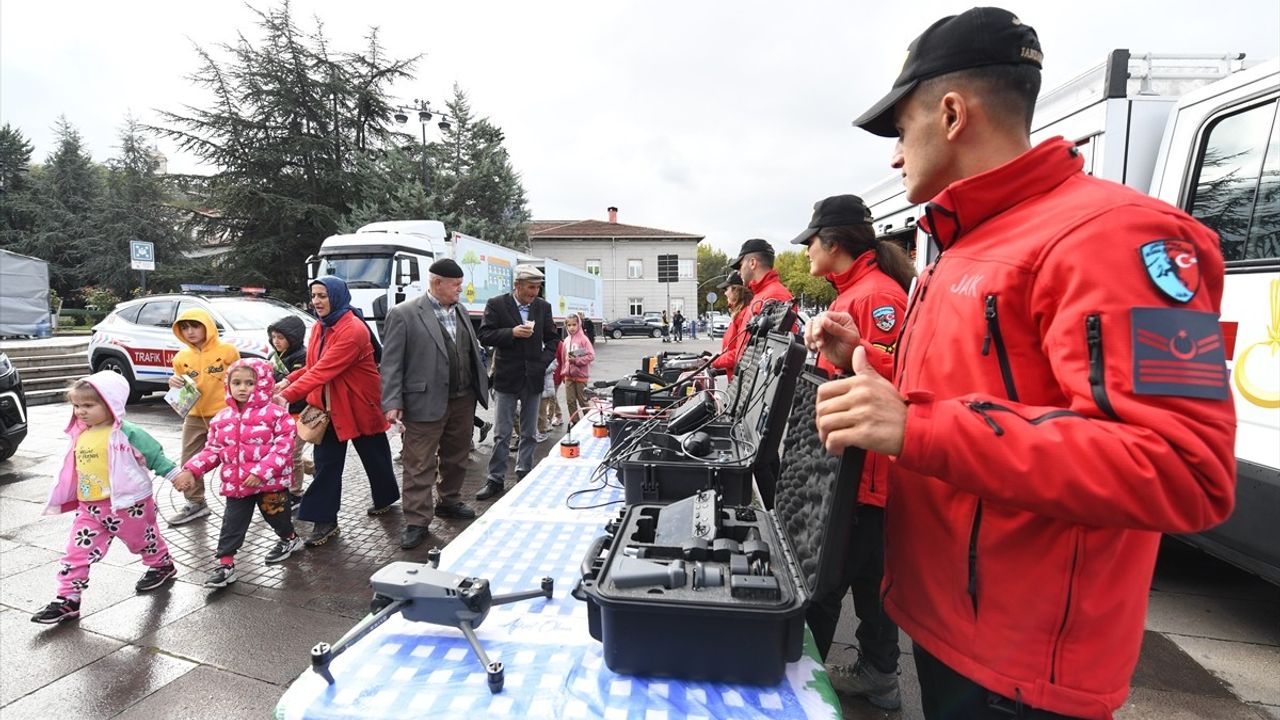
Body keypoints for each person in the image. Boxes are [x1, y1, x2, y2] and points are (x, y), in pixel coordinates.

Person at [811, 8, 1236, 718]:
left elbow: (1181, 467)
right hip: (949, 624)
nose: (893, 155)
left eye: (899, 129)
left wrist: (918, 429)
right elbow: (967, 390)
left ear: (951, 113)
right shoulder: (963, 246)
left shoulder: (1117, 236)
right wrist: (864, 358)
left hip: (1022, 667)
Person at [792, 194, 915, 710]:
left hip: (866, 474)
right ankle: (874, 675)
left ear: (834, 242)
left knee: (830, 585)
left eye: (810, 244)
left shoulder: (876, 296)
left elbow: (899, 378)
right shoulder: (853, 292)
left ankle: (803, 687)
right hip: (851, 466)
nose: (805, 255)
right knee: (865, 581)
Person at [31, 372, 179, 624]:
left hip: (128, 504)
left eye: (88, 405)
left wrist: (176, 475)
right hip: (90, 508)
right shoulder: (82, 433)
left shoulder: (126, 433)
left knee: (143, 541)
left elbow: (154, 455)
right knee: (75, 552)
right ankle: (68, 599)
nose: (80, 411)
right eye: (76, 405)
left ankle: (161, 565)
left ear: (111, 403)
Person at [276, 276, 400, 547]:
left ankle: (386, 497)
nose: (317, 301)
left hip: (359, 405)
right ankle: (325, 521)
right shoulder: (321, 327)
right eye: (314, 295)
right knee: (326, 465)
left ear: (337, 296)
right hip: (328, 410)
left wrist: (287, 395)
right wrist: (289, 380)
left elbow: (325, 369)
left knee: (375, 457)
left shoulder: (353, 329)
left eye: (323, 295)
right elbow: (314, 365)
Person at [380, 259, 489, 550]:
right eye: (456, 284)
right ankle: (417, 521)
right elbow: (390, 363)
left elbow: (468, 351)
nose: (460, 289)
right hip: (423, 401)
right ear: (437, 283)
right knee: (419, 463)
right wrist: (392, 402)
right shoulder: (404, 314)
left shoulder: (461, 311)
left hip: (463, 399)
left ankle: (449, 501)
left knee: (456, 456)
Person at [174, 359, 302, 588]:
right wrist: (192, 470)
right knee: (232, 524)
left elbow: (283, 449)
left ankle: (290, 538)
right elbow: (212, 450)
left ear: (262, 384)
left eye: (250, 382)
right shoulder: (222, 419)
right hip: (238, 485)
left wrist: (261, 472)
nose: (243, 388)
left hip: (269, 485)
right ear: (228, 385)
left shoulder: (277, 415)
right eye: (237, 382)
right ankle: (225, 564)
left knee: (278, 518)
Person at [476, 264, 559, 501]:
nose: (535, 293)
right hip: (506, 377)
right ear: (517, 285)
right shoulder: (497, 304)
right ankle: (495, 479)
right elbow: (484, 335)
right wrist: (511, 333)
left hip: (532, 376)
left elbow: (553, 339)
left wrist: (542, 362)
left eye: (538, 288)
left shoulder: (542, 307)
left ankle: (524, 472)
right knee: (502, 433)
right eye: (531, 287)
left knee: (529, 432)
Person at [166, 308, 241, 525]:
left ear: (206, 326)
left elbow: (241, 379)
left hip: (225, 414)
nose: (190, 332)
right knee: (189, 460)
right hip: (194, 416)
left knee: (240, 455)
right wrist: (173, 382)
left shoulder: (228, 351)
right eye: (185, 328)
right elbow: (179, 385)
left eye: (195, 326)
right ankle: (196, 503)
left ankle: (244, 498)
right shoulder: (181, 358)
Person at [268, 315, 310, 507]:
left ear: (293, 338)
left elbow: (302, 382)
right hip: (280, 412)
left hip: (299, 411)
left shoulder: (302, 355)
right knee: (288, 451)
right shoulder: (273, 356)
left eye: (281, 337)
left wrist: (282, 380)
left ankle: (295, 492)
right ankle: (314, 468)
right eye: (274, 337)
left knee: (292, 453)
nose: (276, 341)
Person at [710, 271, 753, 381]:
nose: (725, 293)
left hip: (740, 382)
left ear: (736, 291)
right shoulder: (739, 315)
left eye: (726, 289)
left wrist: (714, 361)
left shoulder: (744, 315)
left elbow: (739, 353)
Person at [557, 312, 596, 425]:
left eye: (574, 325)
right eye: (569, 325)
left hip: (580, 377)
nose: (572, 328)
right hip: (568, 376)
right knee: (570, 401)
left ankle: (589, 422)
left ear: (579, 324)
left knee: (583, 401)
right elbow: (564, 359)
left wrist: (577, 361)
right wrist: (563, 373)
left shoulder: (583, 339)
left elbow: (591, 355)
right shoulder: (566, 341)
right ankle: (576, 423)